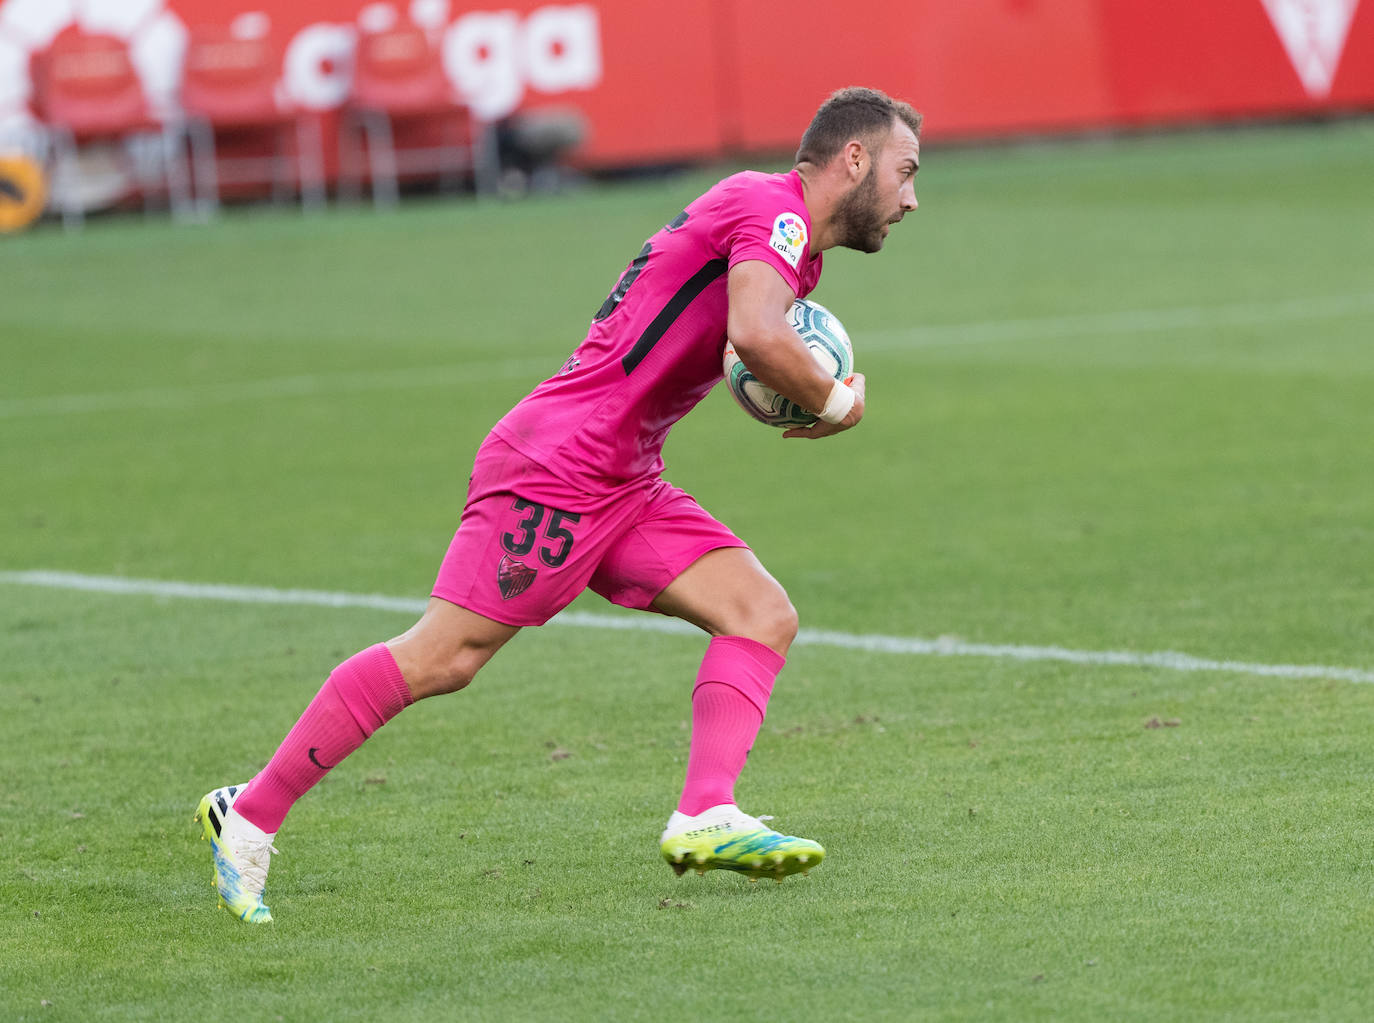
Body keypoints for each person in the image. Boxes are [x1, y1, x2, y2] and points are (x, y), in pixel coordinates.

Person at [196, 86, 921, 923]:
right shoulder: (773, 210)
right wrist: (833, 401)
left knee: (760, 612)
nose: (910, 198)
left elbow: (744, 344)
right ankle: (247, 816)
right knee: (444, 657)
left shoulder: (790, 241)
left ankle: (706, 813)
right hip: (559, 464)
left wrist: (799, 381)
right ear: (854, 159)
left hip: (625, 476)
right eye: (904, 173)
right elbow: (757, 338)